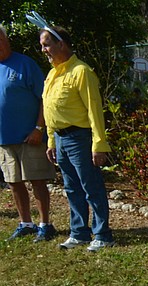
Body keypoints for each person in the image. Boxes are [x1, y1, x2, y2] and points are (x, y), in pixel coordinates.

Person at [38, 23, 115, 252]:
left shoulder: (81, 72)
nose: (43, 50)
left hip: (80, 138)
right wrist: (51, 140)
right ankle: (79, 232)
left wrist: (99, 144)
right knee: (72, 188)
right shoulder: (53, 73)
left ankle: (102, 234)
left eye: (47, 44)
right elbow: (50, 108)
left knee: (91, 186)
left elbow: (94, 110)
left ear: (61, 44)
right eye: (42, 45)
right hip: (61, 140)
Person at [0, 24, 57, 242]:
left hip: (29, 137)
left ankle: (45, 224)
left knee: (37, 180)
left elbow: (45, 98)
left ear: (7, 40)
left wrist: (39, 128)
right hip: (4, 139)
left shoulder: (25, 64)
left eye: (0, 40)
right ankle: (26, 223)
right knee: (13, 182)